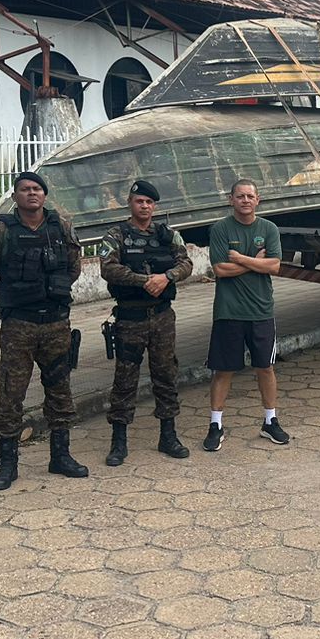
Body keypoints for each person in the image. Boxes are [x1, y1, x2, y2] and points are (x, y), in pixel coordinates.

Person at [0, 170, 86, 490]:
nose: (32, 194)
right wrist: (12, 299)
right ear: (15, 197)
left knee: (60, 390)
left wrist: (51, 292)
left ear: (45, 195)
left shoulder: (60, 227)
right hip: (18, 326)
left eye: (37, 189)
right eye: (25, 189)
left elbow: (74, 267)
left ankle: (60, 456)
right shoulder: (0, 231)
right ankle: (7, 466)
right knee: (11, 394)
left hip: (55, 323)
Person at [99, 179, 194, 465]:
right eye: (139, 201)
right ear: (130, 203)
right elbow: (108, 268)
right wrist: (145, 282)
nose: (144, 206)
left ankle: (168, 436)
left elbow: (186, 264)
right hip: (130, 318)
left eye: (149, 202)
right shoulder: (116, 235)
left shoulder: (168, 235)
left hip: (162, 316)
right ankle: (118, 443)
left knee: (165, 375)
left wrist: (167, 278)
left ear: (155, 206)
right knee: (124, 380)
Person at [203, 178, 289, 451]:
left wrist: (240, 259)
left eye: (250, 196)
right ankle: (215, 424)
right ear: (231, 200)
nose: (245, 200)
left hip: (261, 310)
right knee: (224, 369)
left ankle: (270, 421)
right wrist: (256, 262)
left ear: (257, 200)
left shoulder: (269, 228)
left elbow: (274, 266)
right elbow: (220, 270)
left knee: (265, 367)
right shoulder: (220, 229)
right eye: (240, 196)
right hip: (229, 312)